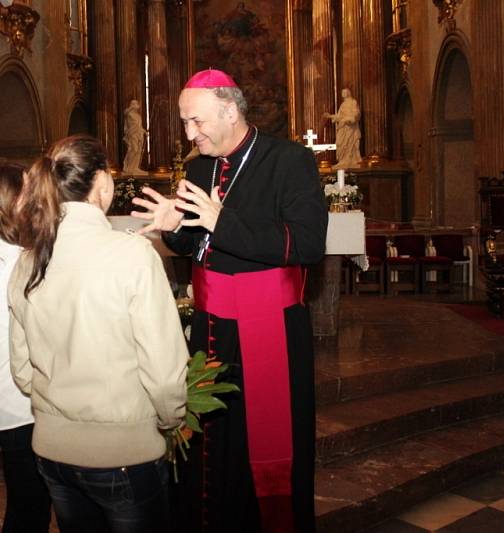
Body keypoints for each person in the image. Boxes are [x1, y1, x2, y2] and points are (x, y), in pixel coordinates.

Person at [131, 69, 328, 532]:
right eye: (184, 123)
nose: (189, 134)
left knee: (263, 441)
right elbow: (194, 246)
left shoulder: (289, 161)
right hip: (210, 329)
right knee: (208, 443)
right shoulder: (198, 166)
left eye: (195, 122)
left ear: (229, 109)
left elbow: (307, 243)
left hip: (270, 331)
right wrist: (174, 228)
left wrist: (224, 221)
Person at [8, 135, 188, 533]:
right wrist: (171, 418)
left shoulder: (28, 260)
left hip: (52, 451)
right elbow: (163, 372)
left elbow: (21, 370)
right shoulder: (133, 255)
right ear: (103, 183)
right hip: (124, 453)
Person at [0, 159, 51, 533]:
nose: (33, 198)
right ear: (11, 200)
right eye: (27, 191)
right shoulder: (18, 262)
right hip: (22, 405)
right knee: (29, 511)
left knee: (25, 505)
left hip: (4, 400)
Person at [324, 87, 362, 169]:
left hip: (350, 128)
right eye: (342, 92)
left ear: (348, 93)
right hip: (343, 127)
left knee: (350, 143)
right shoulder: (343, 104)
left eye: (344, 92)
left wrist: (350, 119)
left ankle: (350, 160)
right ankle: (343, 160)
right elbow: (339, 116)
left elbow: (356, 113)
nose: (342, 94)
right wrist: (330, 116)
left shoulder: (353, 102)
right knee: (340, 143)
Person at [123, 99, 148, 174]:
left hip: (139, 134)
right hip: (132, 134)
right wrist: (131, 107)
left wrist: (144, 131)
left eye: (136, 103)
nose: (136, 105)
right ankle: (128, 167)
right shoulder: (129, 113)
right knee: (134, 150)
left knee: (139, 151)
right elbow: (126, 112)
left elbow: (138, 126)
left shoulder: (138, 116)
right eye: (133, 104)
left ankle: (135, 167)